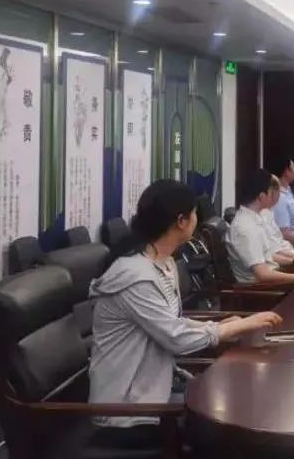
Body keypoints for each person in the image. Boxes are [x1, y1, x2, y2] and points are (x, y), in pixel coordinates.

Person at [88, 179, 283, 439]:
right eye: (194, 214)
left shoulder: (161, 262)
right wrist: (238, 326)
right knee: (229, 427)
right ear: (181, 221)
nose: (197, 220)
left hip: (156, 392)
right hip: (126, 413)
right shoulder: (136, 277)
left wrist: (220, 326)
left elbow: (170, 322)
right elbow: (176, 338)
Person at [227, 169, 294, 285]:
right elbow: (263, 275)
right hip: (263, 289)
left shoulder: (255, 219)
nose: (275, 196)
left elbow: (268, 256)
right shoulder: (246, 228)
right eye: (271, 192)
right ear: (262, 196)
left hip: (274, 277)